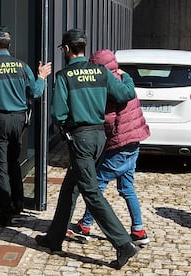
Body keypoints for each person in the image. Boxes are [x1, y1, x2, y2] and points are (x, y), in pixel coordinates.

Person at [35, 29, 139, 270]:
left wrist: (65, 126)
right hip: (99, 137)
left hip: (79, 138)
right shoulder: (102, 72)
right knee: (70, 187)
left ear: (68, 49)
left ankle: (123, 243)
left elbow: (58, 113)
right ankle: (54, 237)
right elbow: (125, 93)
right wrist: (127, 76)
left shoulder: (64, 76)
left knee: (91, 192)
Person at [66, 49, 151, 246]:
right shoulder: (123, 78)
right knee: (127, 187)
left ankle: (85, 226)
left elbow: (107, 116)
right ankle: (139, 230)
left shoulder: (105, 83)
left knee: (97, 185)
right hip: (134, 141)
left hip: (119, 143)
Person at [0, 26, 52, 226]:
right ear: (8, 45)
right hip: (18, 121)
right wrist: (42, 77)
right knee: (13, 162)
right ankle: (18, 203)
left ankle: (5, 212)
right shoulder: (22, 66)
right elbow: (35, 93)